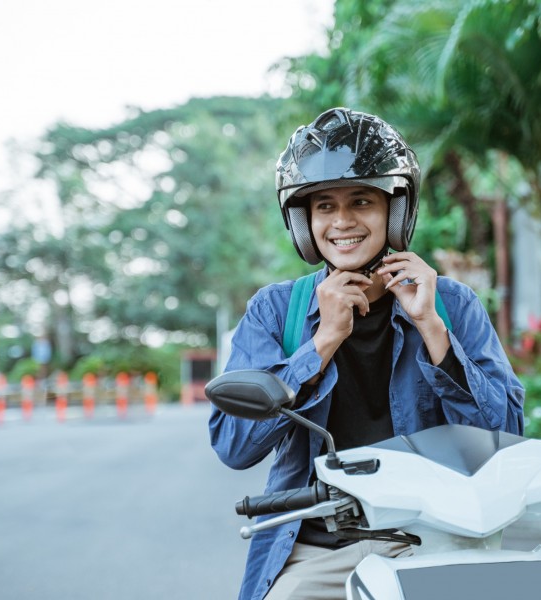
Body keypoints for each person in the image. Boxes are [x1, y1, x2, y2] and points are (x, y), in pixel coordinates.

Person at [209, 107, 525, 600]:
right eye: (324, 207)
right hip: (317, 550)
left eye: (362, 201)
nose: (343, 222)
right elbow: (234, 445)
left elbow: (506, 437)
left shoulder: (452, 304)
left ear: (395, 212)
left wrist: (432, 328)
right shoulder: (276, 311)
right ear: (304, 222)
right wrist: (320, 345)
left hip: (431, 538)